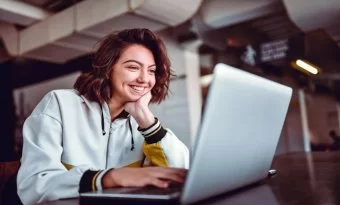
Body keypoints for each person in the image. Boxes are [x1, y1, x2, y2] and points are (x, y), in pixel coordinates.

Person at [17, 28, 189, 205]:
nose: (145, 79)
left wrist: (147, 121)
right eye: (133, 67)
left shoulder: (143, 124)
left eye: (151, 71)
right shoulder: (59, 103)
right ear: (108, 69)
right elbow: (33, 186)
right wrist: (109, 178)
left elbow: (178, 176)